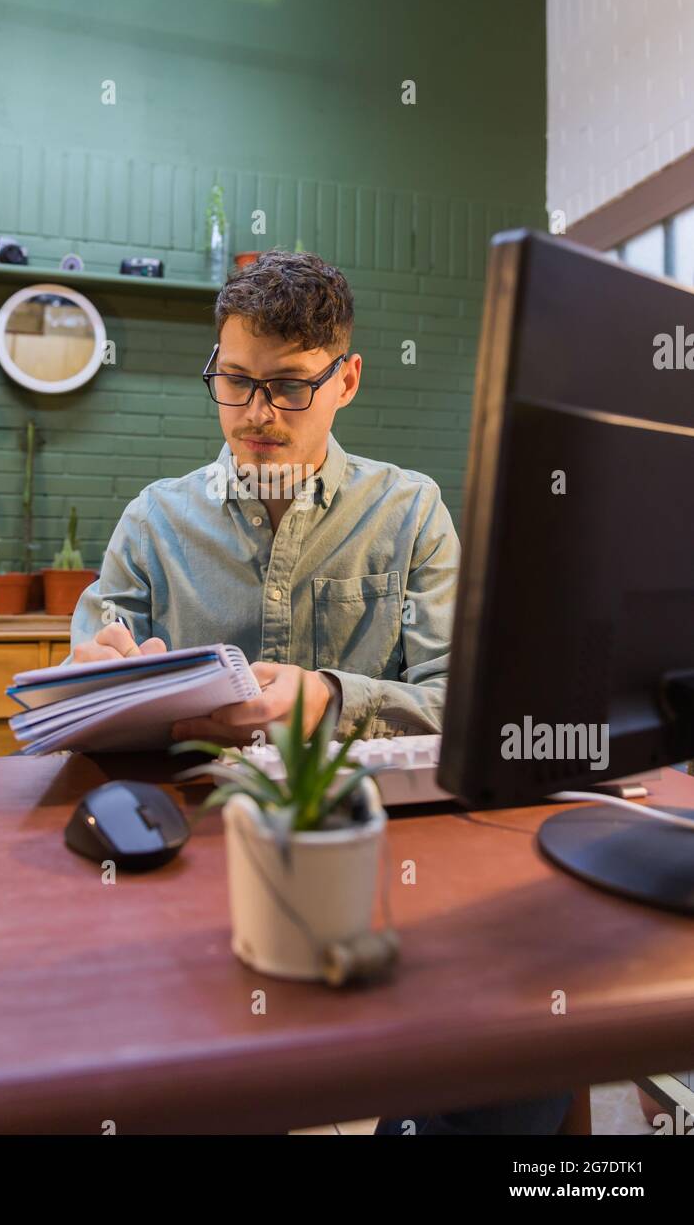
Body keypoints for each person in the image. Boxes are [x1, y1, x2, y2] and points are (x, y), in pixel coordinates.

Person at [69, 249, 572, 1134]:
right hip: (197, 856)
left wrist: (334, 698)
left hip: (376, 846)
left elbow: (466, 700)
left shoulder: (410, 513)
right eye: (235, 382)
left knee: (516, 1062)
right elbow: (76, 698)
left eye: (291, 386)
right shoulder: (154, 520)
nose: (257, 414)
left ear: (347, 380)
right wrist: (96, 682)